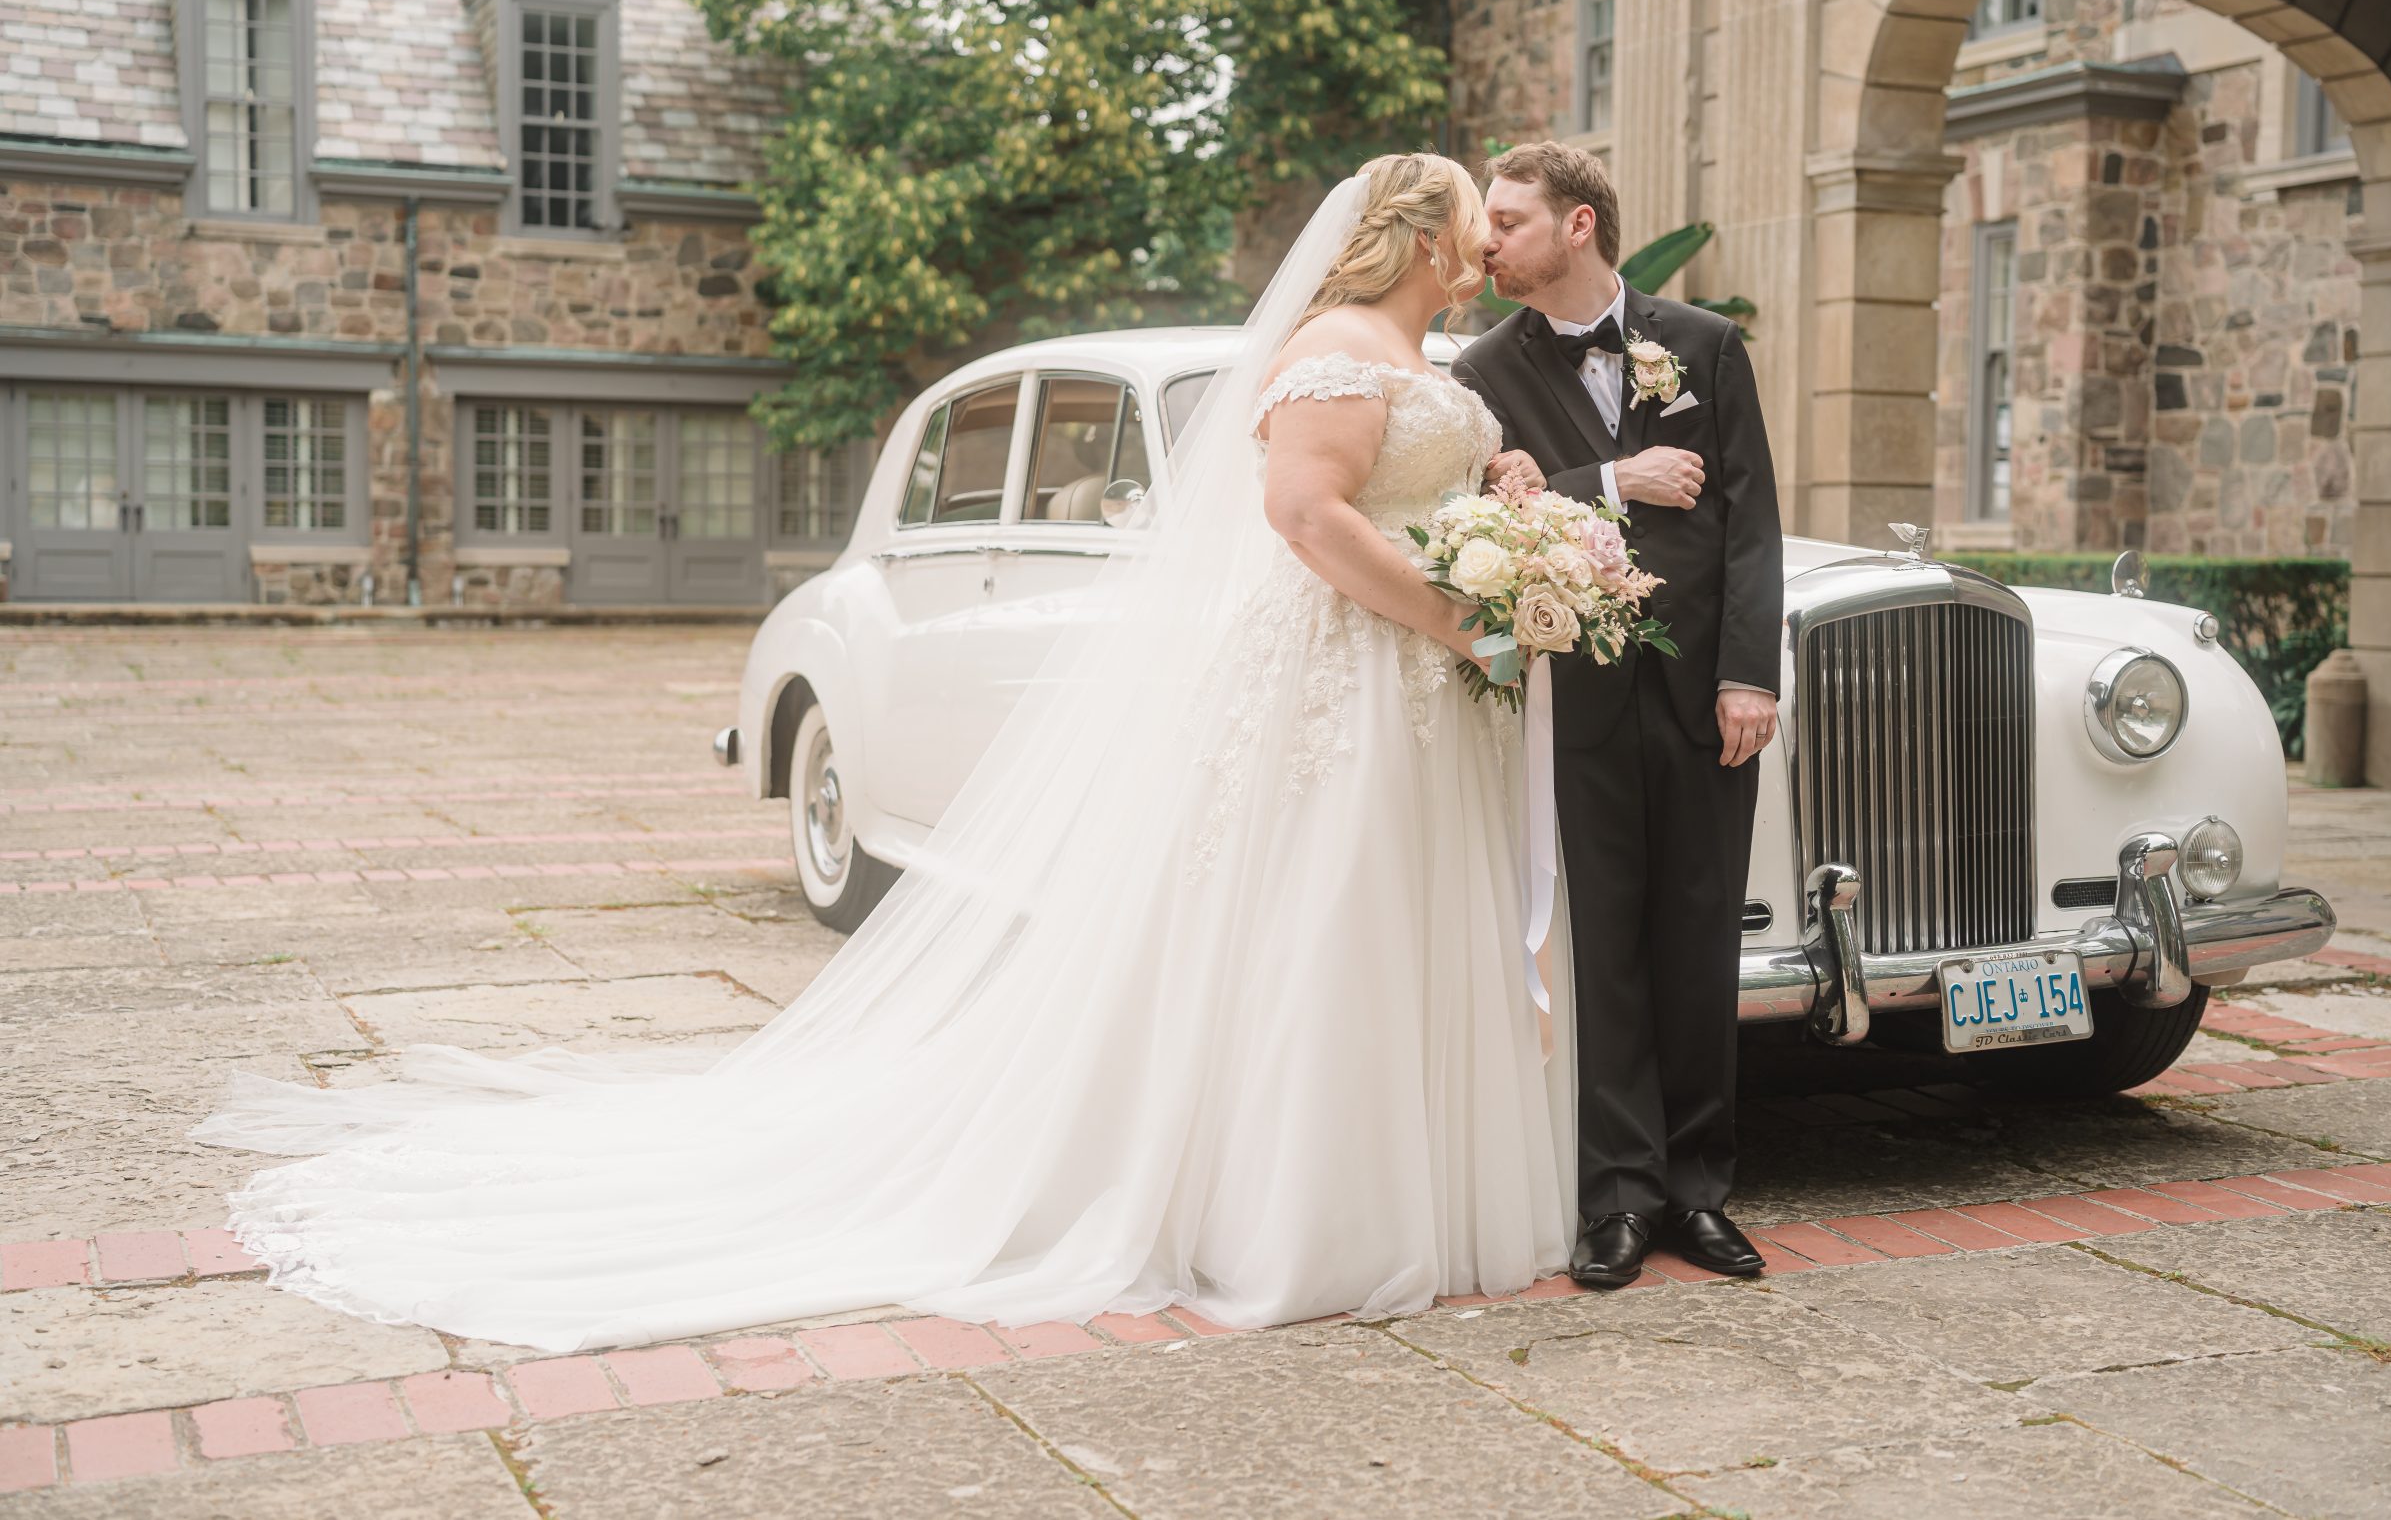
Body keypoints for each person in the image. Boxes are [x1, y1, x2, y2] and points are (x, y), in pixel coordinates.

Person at [193, 155, 1573, 1353]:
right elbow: (1306, 513)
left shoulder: (1425, 362)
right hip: (1351, 664)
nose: (1488, 237)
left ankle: (1407, 1190)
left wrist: (1508, 521)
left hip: (1419, 678)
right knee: (1308, 923)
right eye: (1471, 215)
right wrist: (1459, 614)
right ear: (1422, 232)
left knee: (1384, 918)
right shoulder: (1332, 340)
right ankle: (1294, 1212)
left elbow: (1413, 490)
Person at [1454, 142, 1783, 1290]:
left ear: (1578, 224)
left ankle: (1700, 1192)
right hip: (1568, 696)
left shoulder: (1701, 345)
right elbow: (1473, 518)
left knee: (1696, 939)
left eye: (1507, 220)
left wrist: (1749, 674)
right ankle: (1618, 1200)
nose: (1485, 241)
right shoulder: (1482, 370)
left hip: (1703, 695)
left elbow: (1750, 518)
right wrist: (1611, 481)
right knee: (1598, 950)